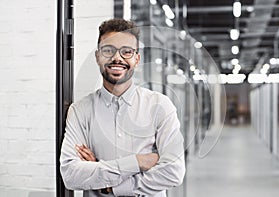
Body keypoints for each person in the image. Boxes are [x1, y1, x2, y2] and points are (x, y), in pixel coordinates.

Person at [60, 18, 185, 197]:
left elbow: (173, 172)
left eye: (127, 52)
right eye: (108, 50)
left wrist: (107, 182)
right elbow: (71, 175)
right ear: (97, 56)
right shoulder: (80, 111)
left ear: (137, 59)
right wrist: (138, 162)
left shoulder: (160, 106)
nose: (117, 58)